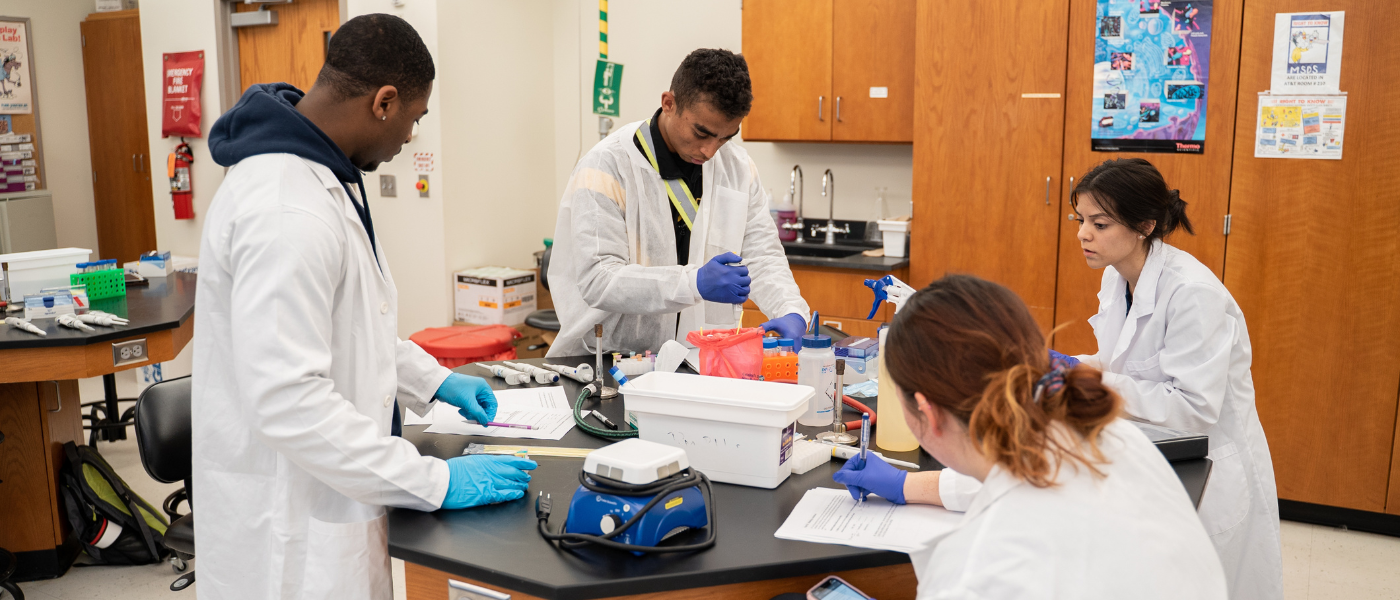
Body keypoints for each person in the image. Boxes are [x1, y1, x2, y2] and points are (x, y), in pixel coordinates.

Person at [196, 15, 536, 600]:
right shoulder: (286, 211)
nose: (410, 138)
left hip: (332, 493)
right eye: (415, 118)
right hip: (290, 527)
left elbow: (352, 323)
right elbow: (289, 402)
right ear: (384, 102)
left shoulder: (320, 174)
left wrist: (432, 381)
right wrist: (435, 480)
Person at [845, 158, 1282, 600]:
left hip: (1211, 455)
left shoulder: (1193, 293)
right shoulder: (1119, 281)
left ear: (1145, 225)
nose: (1083, 234)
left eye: (1100, 223)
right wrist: (1073, 364)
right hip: (1151, 453)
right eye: (1081, 220)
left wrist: (1078, 373)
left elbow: (1193, 408)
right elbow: (1119, 365)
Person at [835, 275, 1227, 598]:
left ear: (926, 410)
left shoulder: (975, 573)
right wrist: (906, 484)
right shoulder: (1113, 437)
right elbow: (1022, 475)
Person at [547, 49, 809, 357]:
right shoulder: (607, 166)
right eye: (702, 133)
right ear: (669, 103)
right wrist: (693, 283)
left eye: (726, 137)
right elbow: (599, 278)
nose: (711, 151)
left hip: (700, 358)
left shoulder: (737, 168)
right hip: (609, 359)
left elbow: (762, 256)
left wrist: (791, 309)